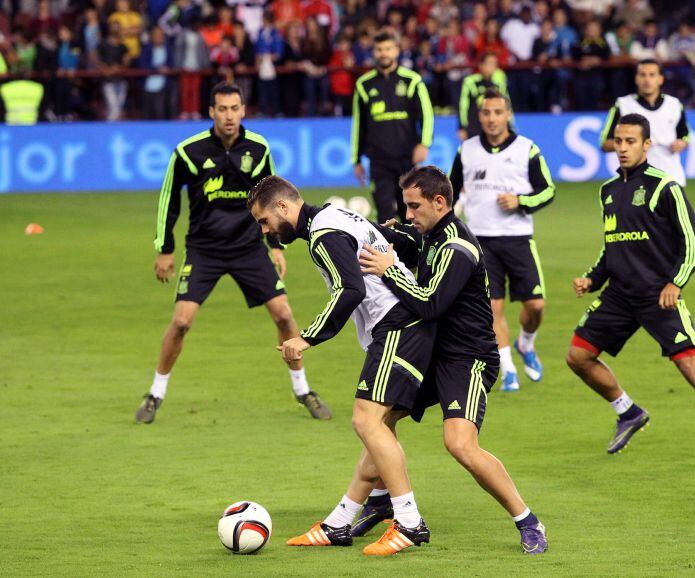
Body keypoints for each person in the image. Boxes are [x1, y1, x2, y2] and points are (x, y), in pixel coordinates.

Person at [358, 166, 548, 555]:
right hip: (433, 354)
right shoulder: (429, 235)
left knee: (460, 445)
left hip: (468, 358)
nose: (409, 214)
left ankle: (528, 520)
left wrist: (390, 268)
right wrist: (372, 231)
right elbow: (402, 237)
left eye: (414, 207)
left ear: (439, 202)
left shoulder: (458, 247)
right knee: (377, 421)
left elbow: (430, 304)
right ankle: (379, 502)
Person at [247, 176, 436, 556]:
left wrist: (307, 336)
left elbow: (352, 290)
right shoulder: (336, 215)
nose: (264, 229)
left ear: (283, 207)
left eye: (264, 220)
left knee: (366, 421)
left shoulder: (322, 235)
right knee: (378, 426)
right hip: (407, 325)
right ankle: (341, 521)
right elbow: (392, 246)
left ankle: (410, 521)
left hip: (398, 326)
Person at [135, 82, 330, 424]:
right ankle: (155, 392)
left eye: (235, 108)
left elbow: (274, 200)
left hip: (248, 248)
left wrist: (275, 246)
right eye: (222, 109)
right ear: (211, 112)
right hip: (204, 250)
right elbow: (169, 199)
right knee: (181, 322)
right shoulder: (187, 151)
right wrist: (164, 248)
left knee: (284, 316)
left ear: (243, 110)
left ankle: (303, 389)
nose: (229, 116)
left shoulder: (257, 148)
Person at [566, 113, 695, 466]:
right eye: (618, 141)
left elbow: (692, 241)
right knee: (578, 356)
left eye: (630, 141)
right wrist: (592, 279)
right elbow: (613, 243)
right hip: (619, 295)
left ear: (647, 145)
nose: (622, 148)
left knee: (691, 368)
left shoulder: (665, 187)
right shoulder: (607, 190)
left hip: (657, 296)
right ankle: (628, 411)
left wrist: (675, 283)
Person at [449, 88, 555, 392]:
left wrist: (521, 201)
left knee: (535, 305)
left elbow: (548, 190)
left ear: (508, 114)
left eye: (498, 112)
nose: (492, 118)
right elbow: (450, 191)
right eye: (486, 113)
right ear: (479, 116)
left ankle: (526, 343)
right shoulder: (466, 150)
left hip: (518, 239)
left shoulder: (527, 148)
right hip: (480, 241)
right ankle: (507, 370)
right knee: (492, 309)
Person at [351, 31, 434, 222]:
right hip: (379, 160)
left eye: (388, 49)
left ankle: (411, 252)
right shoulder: (363, 84)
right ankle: (389, 252)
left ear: (396, 50)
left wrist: (424, 143)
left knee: (410, 214)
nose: (383, 53)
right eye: (379, 49)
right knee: (384, 214)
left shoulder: (412, 80)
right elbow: (359, 124)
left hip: (407, 158)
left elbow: (427, 115)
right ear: (374, 52)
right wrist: (356, 159)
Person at [600, 59, 690, 186]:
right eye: (642, 75)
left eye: (652, 75)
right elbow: (605, 143)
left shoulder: (674, 105)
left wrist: (682, 143)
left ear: (661, 79)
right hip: (635, 180)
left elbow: (685, 136)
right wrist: (630, 144)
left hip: (671, 177)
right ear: (636, 79)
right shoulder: (623, 105)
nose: (647, 80)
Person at [457, 52, 510, 141]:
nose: (492, 67)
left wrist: (509, 126)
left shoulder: (499, 84)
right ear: (481, 65)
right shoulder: (470, 81)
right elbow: (463, 106)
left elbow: (507, 106)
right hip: (473, 128)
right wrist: (462, 127)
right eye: (489, 63)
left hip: (493, 128)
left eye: (494, 63)